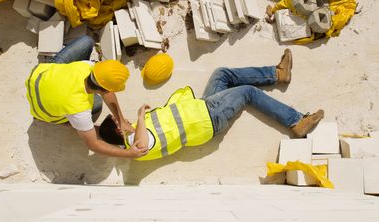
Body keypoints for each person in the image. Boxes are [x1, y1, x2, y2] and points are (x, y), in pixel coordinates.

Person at [98, 49, 325, 160]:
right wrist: (138, 117)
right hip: (208, 119)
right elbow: (143, 144)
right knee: (247, 93)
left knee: (221, 74)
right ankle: (296, 121)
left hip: (201, 108)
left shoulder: (131, 136)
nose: (122, 117)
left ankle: (277, 74)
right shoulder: (136, 145)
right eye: (118, 120)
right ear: (119, 129)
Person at [26, 35, 147, 158]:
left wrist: (121, 120)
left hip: (40, 75)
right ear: (102, 89)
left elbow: (106, 90)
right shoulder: (79, 109)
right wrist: (128, 153)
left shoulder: (86, 66)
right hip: (42, 110)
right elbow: (93, 145)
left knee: (87, 42)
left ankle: (79, 122)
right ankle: (70, 124)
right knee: (97, 104)